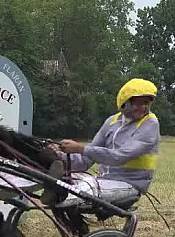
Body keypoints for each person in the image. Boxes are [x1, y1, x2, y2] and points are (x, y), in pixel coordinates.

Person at [47, 78, 161, 207]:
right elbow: (85, 161)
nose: (144, 107)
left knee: (83, 190)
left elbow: (119, 157)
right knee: (65, 178)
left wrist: (80, 149)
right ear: (125, 103)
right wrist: (59, 155)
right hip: (104, 180)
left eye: (146, 103)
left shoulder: (150, 123)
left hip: (130, 183)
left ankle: (56, 200)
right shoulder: (112, 121)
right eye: (138, 103)